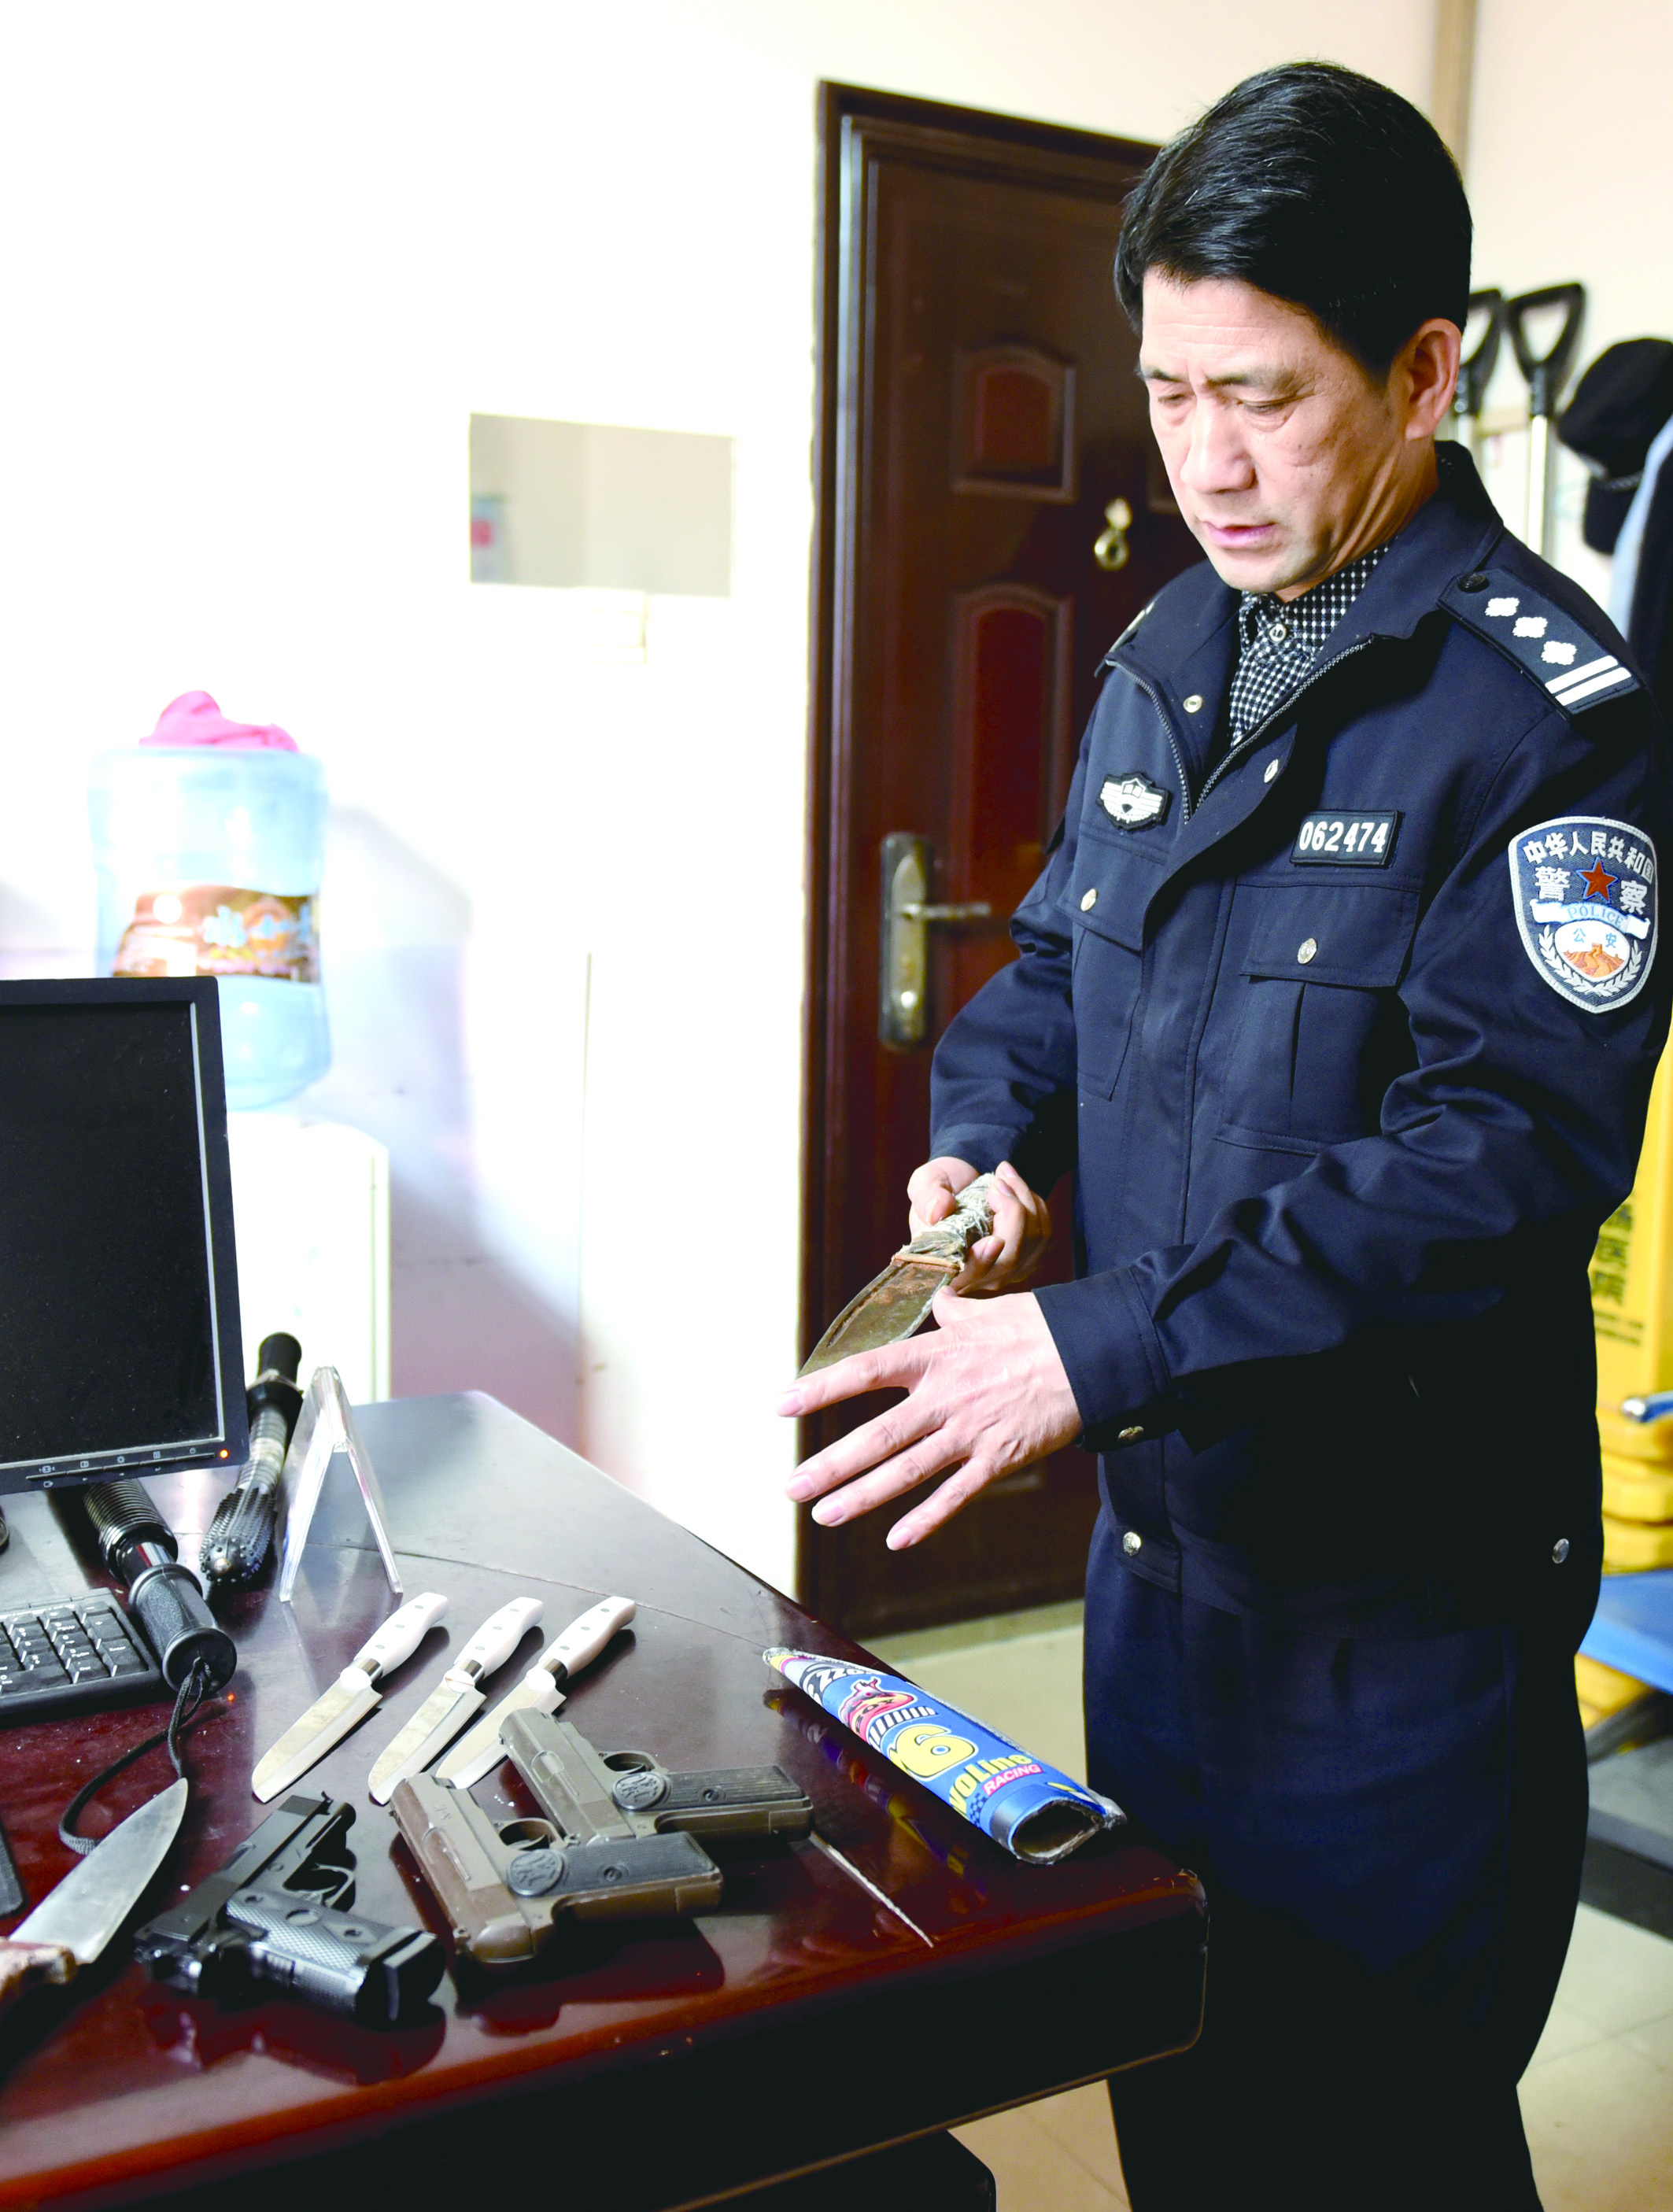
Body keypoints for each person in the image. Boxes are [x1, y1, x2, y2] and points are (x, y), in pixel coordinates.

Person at [776, 62, 1670, 2212]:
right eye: (1169, 392)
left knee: (1367, 2144)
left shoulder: (1550, 717)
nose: (1204, 460)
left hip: (1399, 1621)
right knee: (1178, 2084)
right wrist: (985, 1155)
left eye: (1261, 396)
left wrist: (1082, 1351)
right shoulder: (1178, 647)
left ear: (1423, 369)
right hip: (1165, 1579)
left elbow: (1495, 1160)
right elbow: (1068, 977)